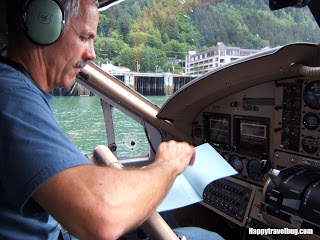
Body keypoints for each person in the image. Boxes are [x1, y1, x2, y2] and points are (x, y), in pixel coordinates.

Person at [0, 0, 224, 239]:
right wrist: (168, 164)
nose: (91, 53)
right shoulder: (11, 96)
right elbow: (103, 219)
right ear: (44, 23)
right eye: (85, 37)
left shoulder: (21, 92)